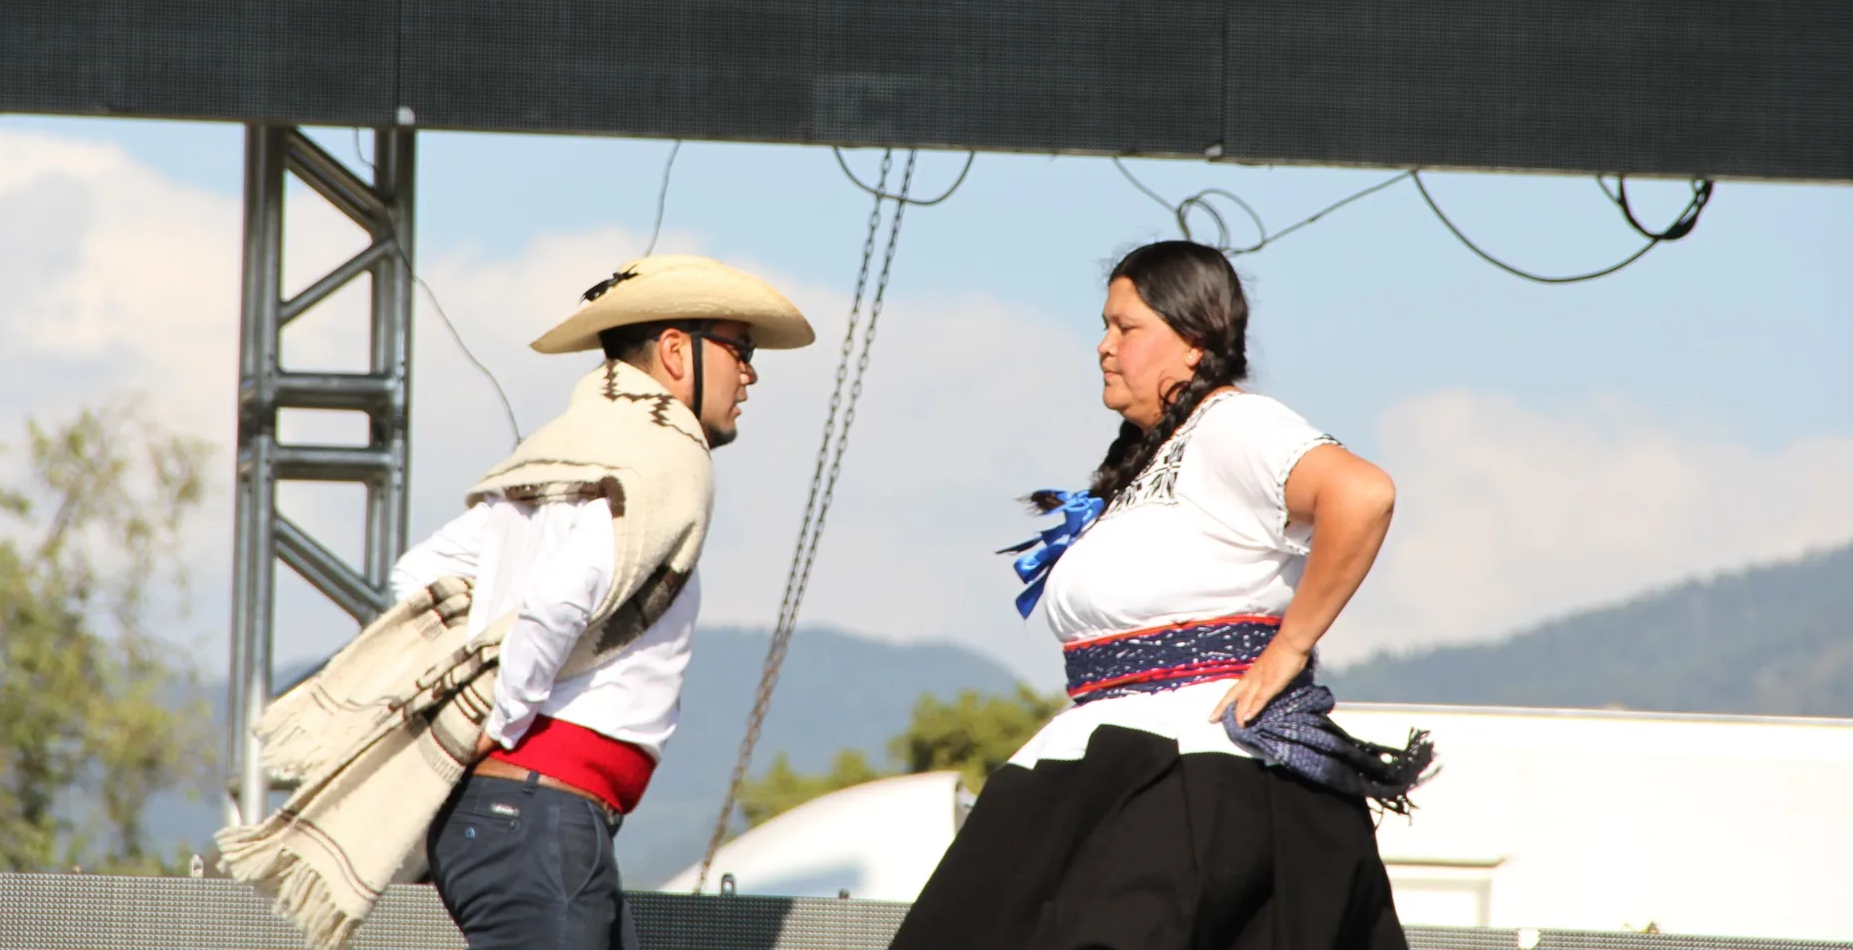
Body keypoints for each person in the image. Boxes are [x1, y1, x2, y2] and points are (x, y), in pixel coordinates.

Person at [889, 240, 1428, 950]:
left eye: (1126, 327)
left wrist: (1289, 646)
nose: (1103, 347)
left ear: (1195, 340)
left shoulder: (1231, 423)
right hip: (1122, 756)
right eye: (1106, 326)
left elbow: (1362, 492)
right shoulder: (1156, 454)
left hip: (1191, 761)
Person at [387, 254, 814, 950]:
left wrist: (481, 685)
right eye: (741, 348)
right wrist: (507, 716)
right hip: (539, 810)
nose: (750, 373)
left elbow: (418, 573)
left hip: (523, 814)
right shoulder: (657, 460)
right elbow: (558, 599)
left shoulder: (567, 451)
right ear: (677, 351)